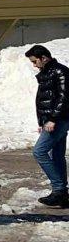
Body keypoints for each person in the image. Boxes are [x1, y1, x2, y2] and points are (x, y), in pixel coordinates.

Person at [27, 44, 69, 208]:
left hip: (59, 119)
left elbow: (64, 98)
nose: (34, 65)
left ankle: (58, 189)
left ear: (44, 58)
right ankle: (63, 195)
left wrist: (52, 119)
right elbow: (44, 99)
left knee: (39, 152)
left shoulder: (60, 71)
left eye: (35, 61)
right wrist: (42, 121)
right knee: (57, 155)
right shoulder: (47, 73)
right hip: (51, 120)